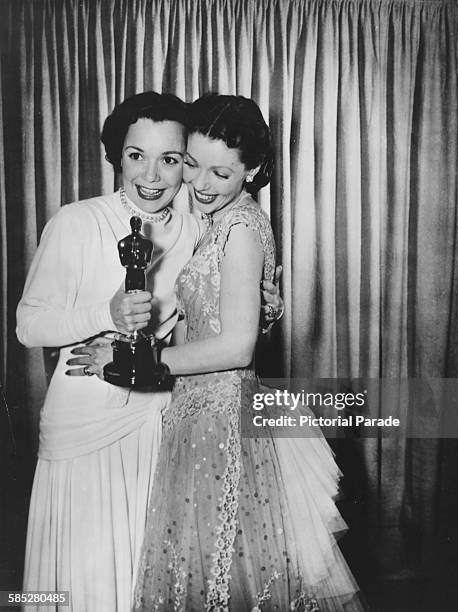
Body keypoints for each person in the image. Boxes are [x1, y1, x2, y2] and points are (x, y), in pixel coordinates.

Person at [16, 92, 282, 611]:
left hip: (161, 420)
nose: (153, 176)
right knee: (78, 580)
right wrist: (104, 317)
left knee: (149, 580)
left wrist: (263, 306)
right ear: (117, 155)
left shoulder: (197, 223)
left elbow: (213, 325)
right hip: (84, 423)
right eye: (137, 156)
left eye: (170, 159)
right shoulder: (77, 221)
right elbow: (29, 325)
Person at [133, 94, 363, 611]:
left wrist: (146, 363)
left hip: (222, 422)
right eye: (192, 165)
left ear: (253, 169)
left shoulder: (239, 226)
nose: (201, 184)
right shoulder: (221, 221)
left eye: (221, 172)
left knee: (224, 578)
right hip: (199, 415)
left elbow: (237, 347)